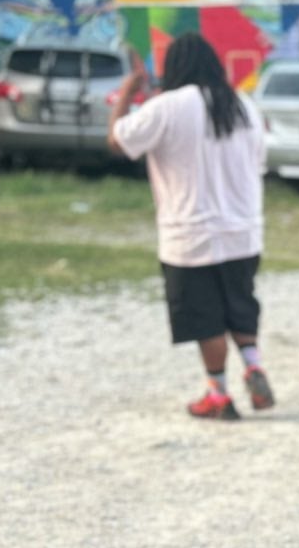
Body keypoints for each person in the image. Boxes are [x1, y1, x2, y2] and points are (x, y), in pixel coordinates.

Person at [109, 37, 275, 421]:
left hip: (189, 236)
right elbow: (258, 163)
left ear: (175, 68)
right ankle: (254, 366)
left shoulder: (166, 107)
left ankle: (217, 394)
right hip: (243, 232)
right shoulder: (243, 106)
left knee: (206, 317)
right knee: (239, 304)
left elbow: (117, 141)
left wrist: (127, 92)